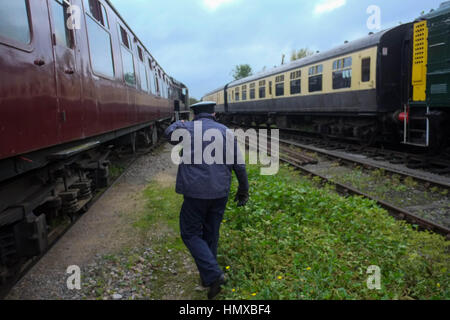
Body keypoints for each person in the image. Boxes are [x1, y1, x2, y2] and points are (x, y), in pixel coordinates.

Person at [164, 101, 249, 300]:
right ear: (214, 113)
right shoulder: (226, 131)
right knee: (212, 232)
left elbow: (168, 133)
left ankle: (213, 275)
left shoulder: (187, 129)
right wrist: (243, 190)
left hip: (195, 193)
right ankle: (208, 279)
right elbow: (239, 164)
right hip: (220, 192)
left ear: (194, 115)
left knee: (190, 233)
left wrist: (179, 123)